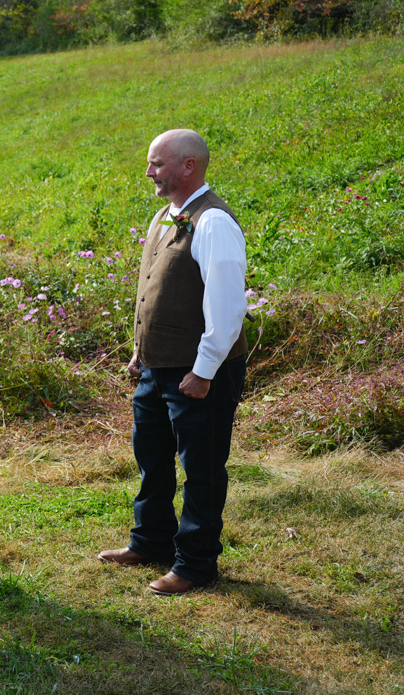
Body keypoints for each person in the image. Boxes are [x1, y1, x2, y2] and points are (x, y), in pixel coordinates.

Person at [98, 129, 248, 595]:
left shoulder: (213, 222)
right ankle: (151, 541)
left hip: (198, 372)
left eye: (157, 164)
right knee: (154, 459)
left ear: (189, 166)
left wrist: (203, 371)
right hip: (157, 367)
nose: (149, 173)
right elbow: (154, 291)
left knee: (201, 468)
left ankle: (196, 564)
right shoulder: (165, 216)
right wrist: (140, 352)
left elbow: (226, 307)